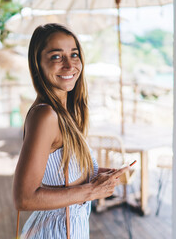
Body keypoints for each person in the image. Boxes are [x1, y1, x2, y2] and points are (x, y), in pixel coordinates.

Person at [13, 23, 130, 239]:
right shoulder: (45, 115)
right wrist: (93, 191)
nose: (69, 65)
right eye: (57, 57)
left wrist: (101, 176)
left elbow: (57, 174)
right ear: (38, 64)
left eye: (74, 54)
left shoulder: (66, 113)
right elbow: (24, 198)